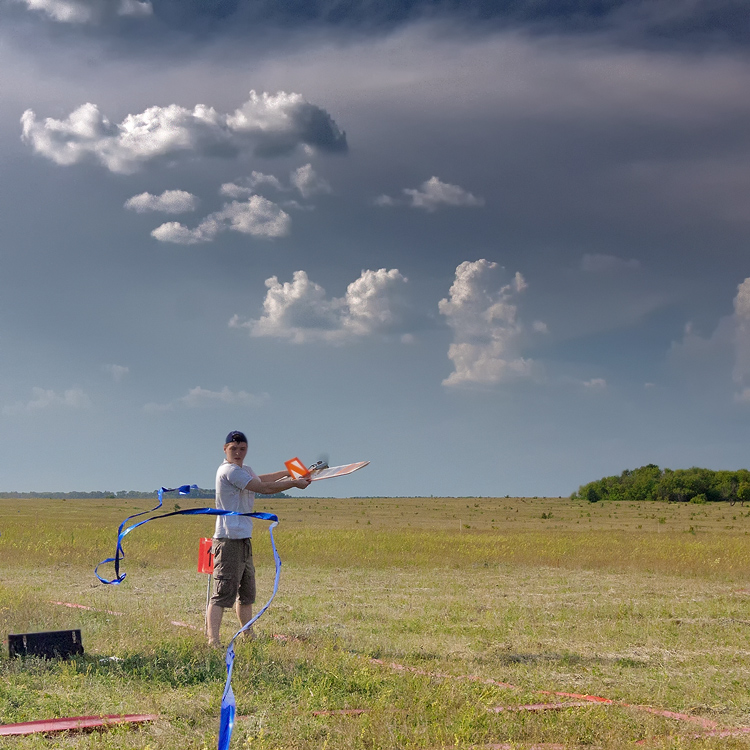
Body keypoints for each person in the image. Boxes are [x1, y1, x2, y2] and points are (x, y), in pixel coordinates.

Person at [206, 430, 311, 646]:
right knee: (222, 594)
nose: (238, 452)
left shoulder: (245, 470)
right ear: (225, 449)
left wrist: (294, 471)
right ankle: (212, 640)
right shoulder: (229, 471)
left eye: (242, 449)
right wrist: (293, 483)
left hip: (243, 538)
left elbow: (262, 478)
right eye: (233, 448)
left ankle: (248, 635)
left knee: (246, 593)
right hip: (228, 540)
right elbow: (262, 487)